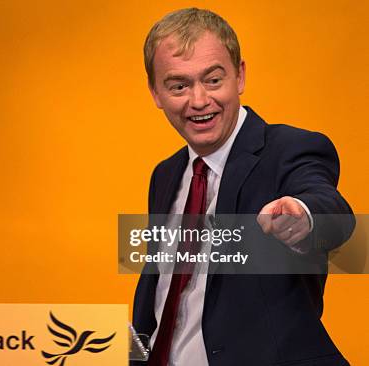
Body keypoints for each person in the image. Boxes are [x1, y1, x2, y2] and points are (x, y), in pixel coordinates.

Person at [131, 8, 355, 366]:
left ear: (240, 76)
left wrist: (304, 216)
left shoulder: (290, 150)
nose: (199, 100)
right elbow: (159, 294)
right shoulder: (165, 174)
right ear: (156, 92)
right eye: (179, 85)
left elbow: (331, 208)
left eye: (213, 80)